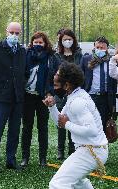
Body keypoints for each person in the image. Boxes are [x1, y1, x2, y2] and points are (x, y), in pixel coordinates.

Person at [43, 63, 108, 189]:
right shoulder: (74, 95)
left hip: (91, 150)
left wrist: (67, 124)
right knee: (78, 182)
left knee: (57, 184)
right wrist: (52, 107)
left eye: (58, 75)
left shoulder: (77, 102)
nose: (54, 78)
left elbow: (91, 130)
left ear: (67, 85)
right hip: (92, 149)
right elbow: (59, 121)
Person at [0, 22, 26, 173]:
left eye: (17, 33)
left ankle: (11, 159)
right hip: (1, 98)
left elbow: (24, 73)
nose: (14, 35)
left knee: (14, 131)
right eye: (12, 32)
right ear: (6, 31)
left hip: (17, 98)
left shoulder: (22, 51)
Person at [21, 32, 58, 167]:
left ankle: (42, 158)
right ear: (32, 43)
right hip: (27, 95)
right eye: (35, 42)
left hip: (43, 97)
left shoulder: (51, 57)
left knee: (43, 128)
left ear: (45, 43)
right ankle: (25, 157)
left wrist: (51, 93)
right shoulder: (26, 55)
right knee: (27, 127)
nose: (38, 45)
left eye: (40, 43)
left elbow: (55, 77)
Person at [54, 29, 82, 160]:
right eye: (65, 39)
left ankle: (72, 148)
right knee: (61, 121)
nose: (67, 41)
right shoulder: (56, 55)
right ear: (61, 40)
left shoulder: (78, 55)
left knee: (73, 122)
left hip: (74, 93)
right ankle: (60, 150)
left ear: (74, 40)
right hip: (60, 93)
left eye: (70, 39)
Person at [81, 36, 117, 133]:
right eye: (98, 47)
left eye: (102, 48)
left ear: (107, 49)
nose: (100, 49)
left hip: (105, 99)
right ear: (94, 47)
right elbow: (80, 79)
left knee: (104, 127)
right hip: (90, 97)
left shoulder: (111, 61)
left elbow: (114, 83)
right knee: (89, 125)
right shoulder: (85, 59)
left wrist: (113, 104)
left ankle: (103, 147)